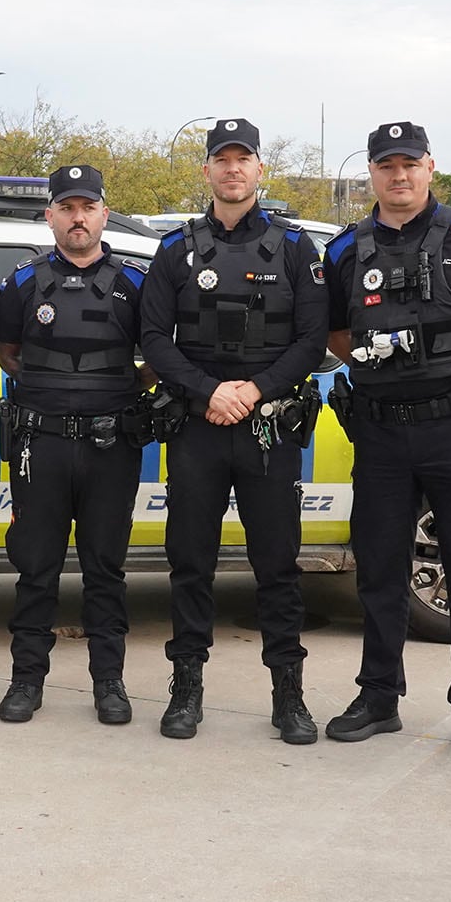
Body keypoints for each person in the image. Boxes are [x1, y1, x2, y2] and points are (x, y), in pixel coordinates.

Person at [323, 122, 451, 759]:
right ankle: (379, 696)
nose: (398, 176)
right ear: (371, 173)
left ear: (429, 167)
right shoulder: (344, 251)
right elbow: (337, 337)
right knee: (381, 571)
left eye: (409, 164)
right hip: (382, 432)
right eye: (386, 166)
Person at [140, 119, 329, 744]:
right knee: (189, 563)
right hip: (197, 427)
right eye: (221, 160)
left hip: (268, 428)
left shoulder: (296, 248)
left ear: (258, 169)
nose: (231, 170)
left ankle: (289, 696)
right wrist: (209, 391)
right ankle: (186, 689)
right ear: (207, 172)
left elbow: (311, 340)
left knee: (276, 566)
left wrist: (254, 390)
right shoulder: (175, 250)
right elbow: (152, 341)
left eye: (242, 159)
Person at [0, 165, 150, 725]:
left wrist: (119, 389)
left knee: (105, 570)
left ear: (103, 213)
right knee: (36, 568)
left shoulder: (135, 283)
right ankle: (25, 681)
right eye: (67, 208)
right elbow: (9, 351)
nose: (77, 218)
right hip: (43, 445)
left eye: (87, 207)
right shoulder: (22, 283)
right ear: (50, 215)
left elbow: (157, 353)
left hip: (112, 446)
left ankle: (109, 683)